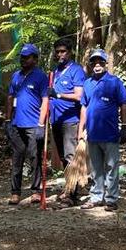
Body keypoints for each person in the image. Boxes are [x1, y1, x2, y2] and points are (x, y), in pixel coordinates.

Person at [77, 49, 126, 210]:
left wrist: (125, 127)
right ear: (91, 64)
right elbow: (84, 108)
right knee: (96, 169)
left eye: (101, 62)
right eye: (94, 62)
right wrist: (81, 130)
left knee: (111, 167)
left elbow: (124, 104)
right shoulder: (87, 83)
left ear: (105, 64)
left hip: (110, 133)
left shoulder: (114, 82)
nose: (97, 65)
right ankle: (96, 197)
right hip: (93, 134)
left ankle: (112, 199)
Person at [6, 43, 49, 205]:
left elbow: (45, 100)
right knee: (17, 158)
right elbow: (10, 98)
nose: (23, 60)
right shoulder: (16, 76)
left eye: (27, 57)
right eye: (22, 57)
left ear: (35, 59)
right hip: (17, 124)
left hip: (33, 124)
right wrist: (7, 120)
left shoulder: (40, 76)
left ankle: (36, 191)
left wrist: (41, 124)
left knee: (35, 158)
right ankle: (15, 192)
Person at [46, 39, 86, 207]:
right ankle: (68, 188)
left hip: (70, 121)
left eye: (63, 51)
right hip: (56, 120)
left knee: (70, 156)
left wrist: (59, 95)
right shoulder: (55, 72)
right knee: (63, 157)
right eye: (58, 51)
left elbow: (79, 96)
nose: (60, 54)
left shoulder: (76, 70)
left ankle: (72, 194)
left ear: (69, 52)